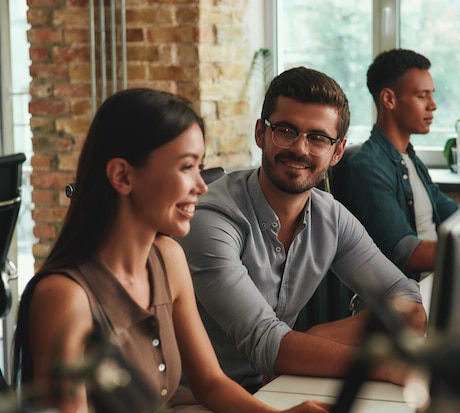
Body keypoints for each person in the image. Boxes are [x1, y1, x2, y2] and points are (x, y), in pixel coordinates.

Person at [11, 88, 333, 413]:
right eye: (186, 167)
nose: (201, 186)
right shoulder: (65, 296)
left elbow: (208, 382)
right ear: (122, 175)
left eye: (200, 166)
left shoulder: (168, 258)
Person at [176, 66, 428, 394]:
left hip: (284, 383)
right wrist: (380, 365)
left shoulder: (331, 216)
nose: (300, 148)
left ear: (337, 151)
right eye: (285, 130)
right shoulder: (212, 218)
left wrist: (308, 343)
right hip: (201, 400)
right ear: (260, 134)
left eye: (318, 138)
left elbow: (410, 307)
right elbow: (265, 342)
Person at [344, 49, 460, 281]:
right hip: (411, 299)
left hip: (439, 282)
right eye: (422, 96)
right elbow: (406, 254)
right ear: (389, 99)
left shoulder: (409, 158)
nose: (433, 105)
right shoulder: (367, 166)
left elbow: (458, 216)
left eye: (432, 95)